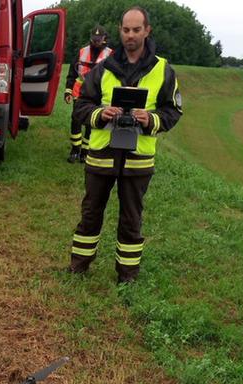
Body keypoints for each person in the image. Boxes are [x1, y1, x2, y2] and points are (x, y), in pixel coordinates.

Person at [68, 6, 183, 283]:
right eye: (126, 30)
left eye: (136, 30)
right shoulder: (103, 68)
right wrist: (100, 114)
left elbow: (173, 111)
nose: (130, 35)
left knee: (132, 220)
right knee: (91, 213)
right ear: (120, 31)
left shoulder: (163, 70)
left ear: (147, 31)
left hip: (137, 161)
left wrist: (150, 119)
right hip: (101, 157)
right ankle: (78, 267)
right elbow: (81, 106)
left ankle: (127, 276)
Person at [64, 25, 113, 163]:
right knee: (76, 120)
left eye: (99, 39)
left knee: (91, 123)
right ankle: (75, 150)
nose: (96, 41)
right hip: (80, 92)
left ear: (104, 38)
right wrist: (68, 91)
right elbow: (72, 74)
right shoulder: (81, 52)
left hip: (98, 94)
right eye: (94, 38)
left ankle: (85, 152)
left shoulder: (111, 54)